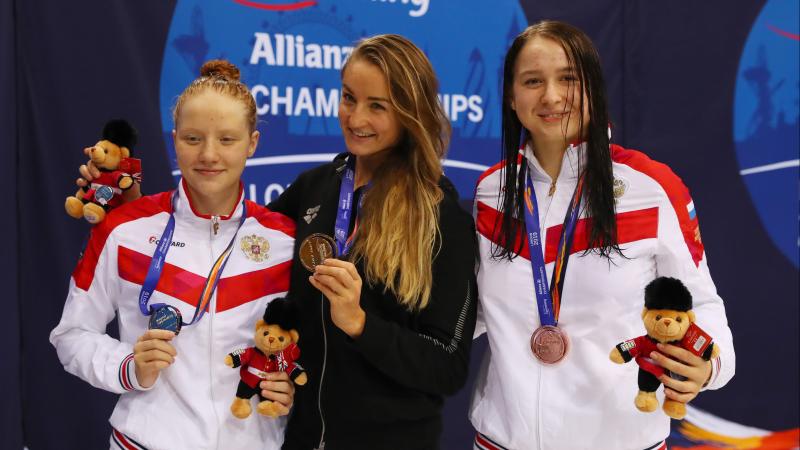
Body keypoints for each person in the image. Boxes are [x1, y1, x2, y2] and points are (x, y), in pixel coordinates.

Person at [75, 35, 478, 450]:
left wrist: (360, 324)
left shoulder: (440, 218)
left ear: (412, 113)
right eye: (348, 98)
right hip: (298, 437)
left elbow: (448, 366)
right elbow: (228, 241)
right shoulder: (316, 188)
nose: (356, 118)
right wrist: (135, 211)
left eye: (377, 106)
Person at [470, 21, 735, 450]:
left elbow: (700, 302)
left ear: (592, 86)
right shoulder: (491, 194)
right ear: (511, 97)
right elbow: (474, 313)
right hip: (501, 440)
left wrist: (709, 366)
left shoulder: (651, 188)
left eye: (568, 79)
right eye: (533, 81)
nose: (552, 96)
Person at [51, 60, 297, 450]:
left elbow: (303, 344)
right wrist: (129, 367)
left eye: (228, 140)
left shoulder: (284, 240)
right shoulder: (124, 229)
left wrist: (289, 383)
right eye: (193, 138)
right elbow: (71, 335)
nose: (209, 155)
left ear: (252, 143)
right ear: (174, 137)